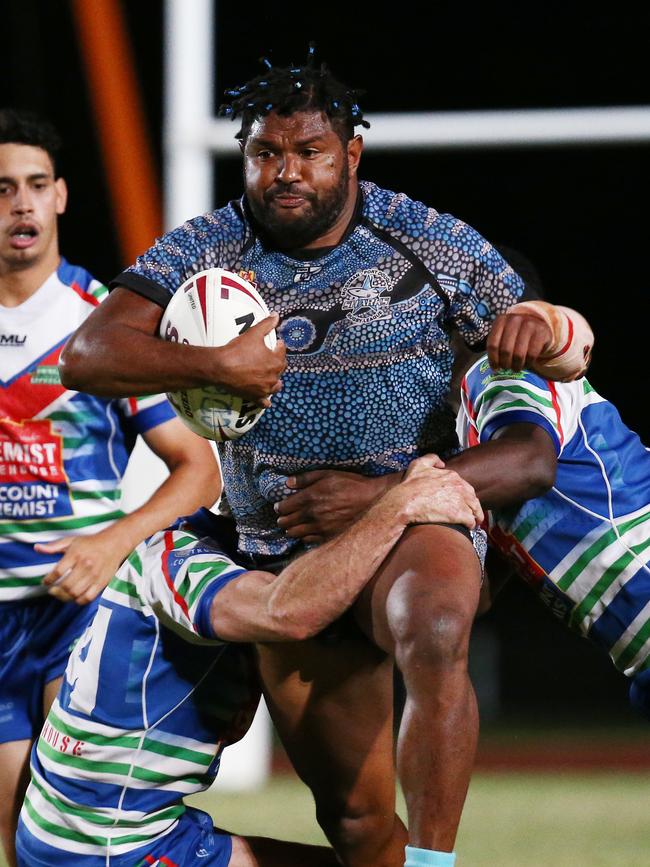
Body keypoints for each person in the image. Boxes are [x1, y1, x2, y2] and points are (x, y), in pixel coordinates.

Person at [58, 54, 577, 867]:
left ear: (352, 156)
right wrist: (217, 366)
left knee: (436, 626)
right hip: (280, 555)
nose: (285, 173)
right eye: (267, 153)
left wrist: (387, 494)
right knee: (357, 825)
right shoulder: (209, 243)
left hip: (411, 520)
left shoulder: (430, 241)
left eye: (309, 152)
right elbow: (87, 354)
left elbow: (535, 422)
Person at [15, 456, 483, 866]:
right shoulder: (181, 563)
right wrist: (397, 503)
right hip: (109, 847)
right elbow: (288, 612)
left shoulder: (186, 561)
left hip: (75, 825)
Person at [0, 109, 221, 866]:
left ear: (61, 196)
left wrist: (110, 541)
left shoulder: (100, 325)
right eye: (1, 190)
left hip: (77, 618)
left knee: (78, 824)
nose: (20, 205)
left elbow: (200, 467)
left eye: (34, 186)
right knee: (15, 830)